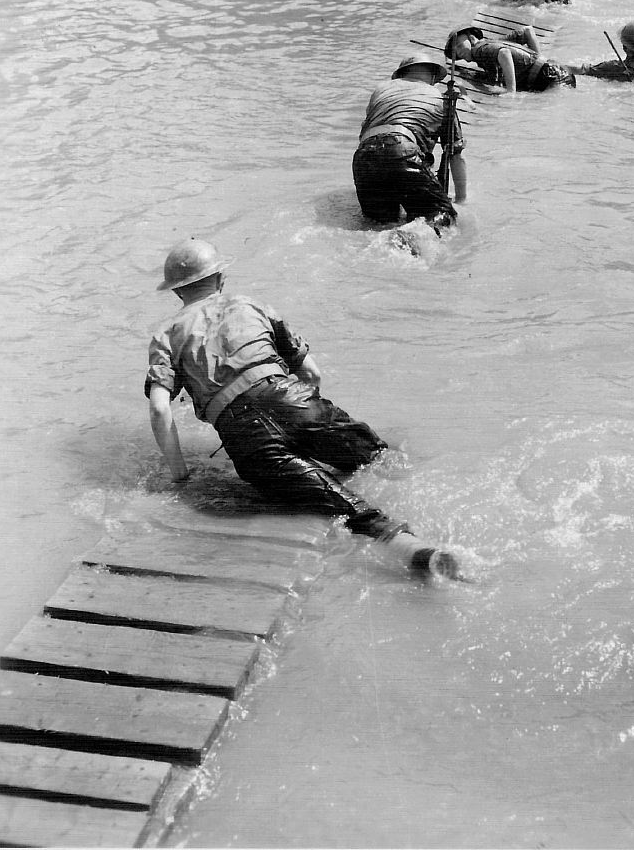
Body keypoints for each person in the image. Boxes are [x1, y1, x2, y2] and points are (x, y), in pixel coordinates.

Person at [145, 238, 461, 578]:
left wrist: (181, 478)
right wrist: (305, 429)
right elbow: (311, 372)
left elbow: (160, 410)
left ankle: (412, 551)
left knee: (337, 504)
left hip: (245, 438)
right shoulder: (250, 305)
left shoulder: (166, 334)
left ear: (177, 293)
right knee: (379, 456)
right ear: (221, 278)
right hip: (295, 402)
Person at [352, 51, 467, 231]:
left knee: (379, 226)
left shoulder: (381, 90)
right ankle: (412, 237)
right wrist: (462, 200)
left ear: (401, 74)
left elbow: (365, 133)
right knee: (441, 219)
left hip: (364, 158)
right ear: (433, 76)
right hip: (402, 150)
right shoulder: (441, 98)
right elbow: (455, 154)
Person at [445, 23, 577, 93]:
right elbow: (528, 31)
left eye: (459, 45)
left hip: (550, 79)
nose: (458, 51)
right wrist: (539, 60)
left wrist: (511, 92)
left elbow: (504, 54)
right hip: (555, 72)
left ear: (472, 38)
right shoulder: (492, 42)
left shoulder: (479, 50)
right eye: (454, 51)